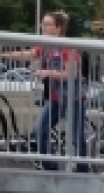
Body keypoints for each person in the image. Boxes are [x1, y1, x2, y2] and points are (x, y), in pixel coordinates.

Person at [1, 12, 88, 170]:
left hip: (73, 98)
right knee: (40, 131)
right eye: (43, 24)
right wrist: (4, 55)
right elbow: (28, 54)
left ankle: (84, 171)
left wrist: (48, 73)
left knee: (77, 136)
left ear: (58, 28)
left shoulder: (67, 47)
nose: (43, 27)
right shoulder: (44, 45)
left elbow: (72, 74)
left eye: (47, 24)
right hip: (55, 98)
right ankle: (50, 167)